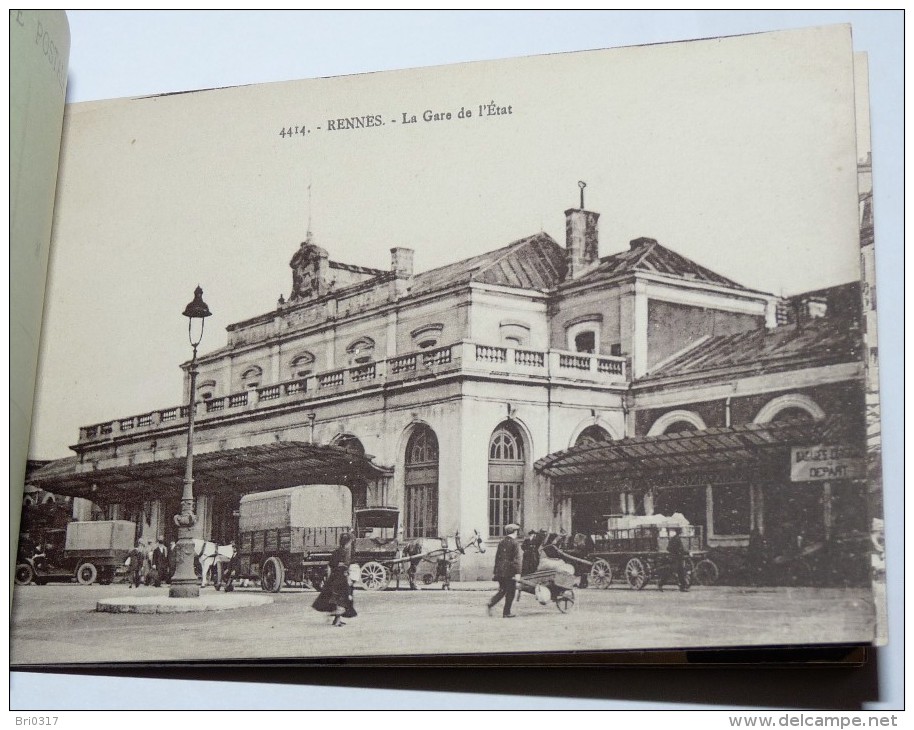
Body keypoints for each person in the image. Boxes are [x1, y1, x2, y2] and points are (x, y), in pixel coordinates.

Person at [312, 533, 357, 627]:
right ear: (347, 542)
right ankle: (337, 621)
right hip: (341, 579)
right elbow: (343, 566)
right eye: (349, 542)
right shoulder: (344, 553)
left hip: (335, 577)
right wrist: (347, 576)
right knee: (342, 599)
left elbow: (331, 565)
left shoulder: (337, 552)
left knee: (338, 599)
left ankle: (337, 619)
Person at [487, 523, 522, 618]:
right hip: (509, 572)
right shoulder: (515, 543)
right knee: (511, 592)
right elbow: (517, 560)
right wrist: (518, 573)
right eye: (517, 531)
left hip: (500, 571)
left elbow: (497, 558)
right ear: (515, 532)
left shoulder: (501, 542)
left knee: (502, 590)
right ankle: (506, 612)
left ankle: (491, 602)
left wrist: (496, 571)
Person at [659, 526, 689, 592]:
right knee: (671, 572)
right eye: (680, 531)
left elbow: (677, 549)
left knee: (680, 572)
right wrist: (678, 552)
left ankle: (682, 587)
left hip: (678, 558)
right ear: (678, 532)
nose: (680, 533)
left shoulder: (676, 538)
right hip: (674, 558)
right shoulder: (675, 539)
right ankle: (660, 584)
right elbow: (670, 548)